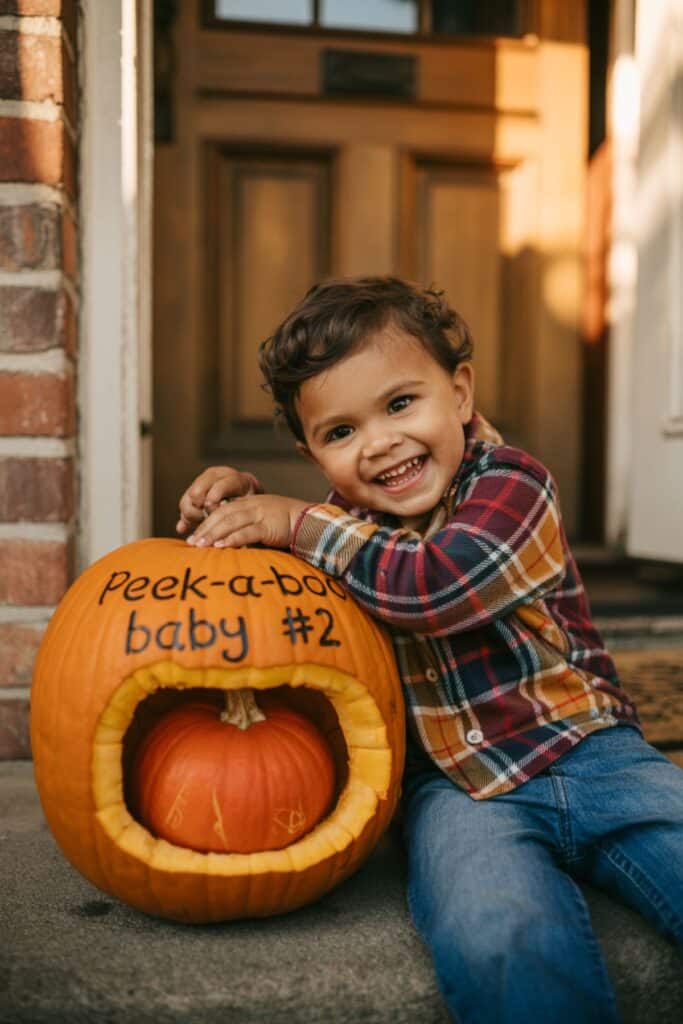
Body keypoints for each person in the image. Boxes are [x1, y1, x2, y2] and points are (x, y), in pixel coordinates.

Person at [176, 276, 683, 1024]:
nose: (378, 442)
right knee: (498, 936)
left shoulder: (513, 484)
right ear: (311, 453)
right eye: (339, 433)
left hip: (591, 752)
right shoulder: (341, 527)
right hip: (455, 795)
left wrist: (299, 524)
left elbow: (435, 587)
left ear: (460, 394)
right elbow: (283, 616)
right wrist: (238, 507)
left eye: (399, 403)